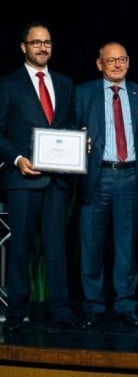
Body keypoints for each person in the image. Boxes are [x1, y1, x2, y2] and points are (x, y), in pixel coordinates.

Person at [0, 21, 78, 333]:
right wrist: (17, 159)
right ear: (24, 47)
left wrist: (77, 141)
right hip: (23, 181)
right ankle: (17, 314)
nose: (42, 47)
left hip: (57, 181)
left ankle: (62, 311)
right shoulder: (8, 84)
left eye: (46, 42)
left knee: (57, 250)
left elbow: (68, 124)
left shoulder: (64, 83)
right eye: (36, 43)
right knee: (19, 249)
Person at [75, 41, 138, 328]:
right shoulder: (83, 93)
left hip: (130, 176)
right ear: (99, 64)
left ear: (129, 62)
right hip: (97, 177)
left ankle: (125, 305)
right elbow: (70, 130)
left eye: (122, 59)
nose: (118, 65)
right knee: (91, 246)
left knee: (126, 247)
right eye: (111, 61)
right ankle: (93, 305)